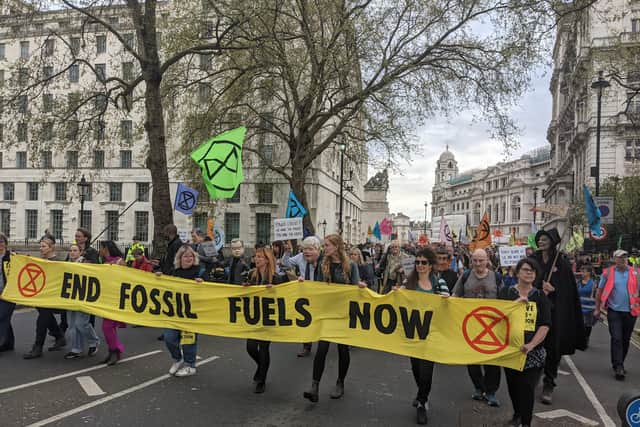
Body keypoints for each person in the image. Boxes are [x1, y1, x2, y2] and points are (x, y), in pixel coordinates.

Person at [303, 234, 362, 403]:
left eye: (327, 245)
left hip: (343, 315)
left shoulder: (350, 265)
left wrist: (360, 287)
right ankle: (314, 386)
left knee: (343, 350)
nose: (324, 248)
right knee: (321, 349)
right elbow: (320, 288)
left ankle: (340, 382)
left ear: (336, 247)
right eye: (324, 245)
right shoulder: (323, 264)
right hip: (328, 313)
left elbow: (355, 288)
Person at [533, 228, 585, 404]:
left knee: (553, 350)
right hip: (535, 312)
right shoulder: (533, 260)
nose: (541, 242)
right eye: (539, 239)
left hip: (554, 314)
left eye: (544, 239)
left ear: (552, 242)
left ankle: (549, 383)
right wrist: (539, 287)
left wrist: (554, 290)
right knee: (532, 346)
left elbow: (568, 291)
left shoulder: (561, 263)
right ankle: (532, 377)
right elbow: (524, 279)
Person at [499, 258, 551, 427]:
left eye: (532, 271)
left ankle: (526, 423)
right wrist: (515, 305)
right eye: (526, 270)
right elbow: (497, 318)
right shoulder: (506, 293)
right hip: (510, 350)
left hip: (532, 353)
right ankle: (517, 414)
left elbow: (545, 325)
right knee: (513, 388)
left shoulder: (540, 296)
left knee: (526, 390)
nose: (529, 273)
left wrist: (532, 345)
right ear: (517, 272)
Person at [400, 247, 450, 425]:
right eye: (417, 262)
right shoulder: (409, 282)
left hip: (432, 334)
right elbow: (397, 300)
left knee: (426, 370)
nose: (420, 265)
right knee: (416, 368)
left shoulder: (439, 283)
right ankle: (422, 393)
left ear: (430, 265)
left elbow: (449, 304)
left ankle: (422, 402)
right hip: (413, 334)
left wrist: (446, 300)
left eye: (423, 262)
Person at [452, 248, 501, 407]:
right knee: (472, 361)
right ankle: (479, 388)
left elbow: (506, 299)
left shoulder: (497, 277)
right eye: (475, 260)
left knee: (492, 360)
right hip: (471, 326)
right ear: (471, 261)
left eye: (481, 260)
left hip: (492, 326)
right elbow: (455, 296)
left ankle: (491, 391)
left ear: (487, 260)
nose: (478, 263)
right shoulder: (465, 276)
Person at [157, 245, 203, 377]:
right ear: (180, 258)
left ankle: (190, 365)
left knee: (189, 340)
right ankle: (178, 359)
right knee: (169, 338)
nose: (188, 258)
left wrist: (203, 283)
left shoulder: (199, 271)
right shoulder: (173, 272)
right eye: (185, 256)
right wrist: (158, 278)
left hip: (191, 313)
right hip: (174, 312)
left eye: (191, 256)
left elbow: (211, 286)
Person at [244, 247, 286, 393]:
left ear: (267, 259)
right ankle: (261, 366)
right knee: (250, 347)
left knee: (263, 347)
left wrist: (274, 290)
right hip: (255, 317)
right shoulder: (252, 275)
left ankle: (262, 379)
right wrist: (245, 288)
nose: (256, 259)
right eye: (255, 256)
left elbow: (283, 298)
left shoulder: (275, 277)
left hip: (268, 317)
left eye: (260, 257)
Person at [594, 249, 639, 380]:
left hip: (631, 312)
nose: (623, 259)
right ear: (614, 259)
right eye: (620, 257)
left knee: (625, 339)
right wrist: (597, 308)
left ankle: (620, 362)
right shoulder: (608, 273)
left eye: (625, 257)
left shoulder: (636, 273)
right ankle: (618, 366)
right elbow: (599, 291)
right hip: (614, 311)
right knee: (616, 338)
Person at [24, 235, 67, 359]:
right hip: (43, 297)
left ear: (51, 247)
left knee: (43, 316)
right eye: (40, 246)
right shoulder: (41, 262)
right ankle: (59, 336)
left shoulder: (58, 262)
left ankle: (38, 347)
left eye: (43, 246)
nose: (40, 249)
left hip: (55, 298)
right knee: (45, 314)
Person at [282, 236, 323, 357]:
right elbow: (285, 263)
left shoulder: (324, 261)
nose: (306, 252)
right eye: (305, 249)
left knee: (322, 320)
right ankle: (307, 346)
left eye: (310, 249)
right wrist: (287, 252)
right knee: (306, 320)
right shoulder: (300, 257)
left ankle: (325, 342)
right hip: (305, 295)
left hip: (320, 294)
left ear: (317, 250)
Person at [64, 244, 100, 359]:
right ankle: (76, 348)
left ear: (80, 252)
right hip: (70, 298)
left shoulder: (85, 263)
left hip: (83, 298)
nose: (72, 252)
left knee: (81, 323)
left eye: (75, 250)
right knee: (72, 325)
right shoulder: (67, 264)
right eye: (71, 250)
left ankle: (94, 341)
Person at [99, 240, 127, 365]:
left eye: (101, 248)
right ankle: (112, 351)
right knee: (108, 328)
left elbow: (127, 278)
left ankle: (116, 350)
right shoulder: (104, 262)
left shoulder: (119, 261)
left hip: (116, 298)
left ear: (106, 249)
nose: (100, 251)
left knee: (107, 327)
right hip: (106, 298)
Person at [0, 233, 15, 352]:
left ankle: (1, 343)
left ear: (5, 243)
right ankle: (9, 342)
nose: (0, 245)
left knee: (2, 316)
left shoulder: (12, 257)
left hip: (9, 293)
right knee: (5, 318)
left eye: (1, 242)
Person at [577, 264, 597, 347]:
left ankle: (586, 339)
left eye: (584, 271)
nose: (582, 273)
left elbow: (596, 296)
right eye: (581, 271)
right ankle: (580, 339)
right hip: (579, 307)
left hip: (589, 309)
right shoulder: (578, 282)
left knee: (588, 326)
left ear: (589, 273)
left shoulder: (593, 284)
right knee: (579, 324)